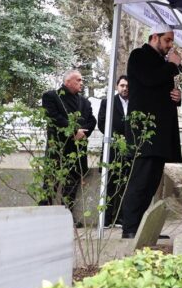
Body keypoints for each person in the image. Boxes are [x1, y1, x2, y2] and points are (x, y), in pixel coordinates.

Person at [121, 24, 182, 239]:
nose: (169, 46)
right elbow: (149, 80)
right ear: (155, 37)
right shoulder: (139, 55)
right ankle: (130, 227)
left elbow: (159, 91)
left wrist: (177, 97)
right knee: (140, 181)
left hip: (159, 134)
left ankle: (142, 228)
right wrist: (172, 66)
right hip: (144, 133)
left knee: (151, 185)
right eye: (167, 40)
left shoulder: (162, 63)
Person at [41, 70, 97, 209]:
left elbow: (92, 121)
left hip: (77, 150)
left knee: (71, 186)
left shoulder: (84, 102)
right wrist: (74, 131)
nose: (81, 83)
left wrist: (82, 134)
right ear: (68, 82)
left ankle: (67, 216)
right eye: (78, 80)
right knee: (50, 184)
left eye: (81, 80)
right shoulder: (51, 96)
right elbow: (53, 117)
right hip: (58, 148)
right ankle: (43, 215)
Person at [97, 75, 130, 226]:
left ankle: (121, 218)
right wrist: (117, 137)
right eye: (122, 85)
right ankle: (106, 220)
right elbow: (102, 123)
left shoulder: (135, 103)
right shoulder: (108, 102)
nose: (125, 88)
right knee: (109, 184)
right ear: (117, 86)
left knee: (125, 184)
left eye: (127, 86)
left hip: (129, 149)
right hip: (112, 149)